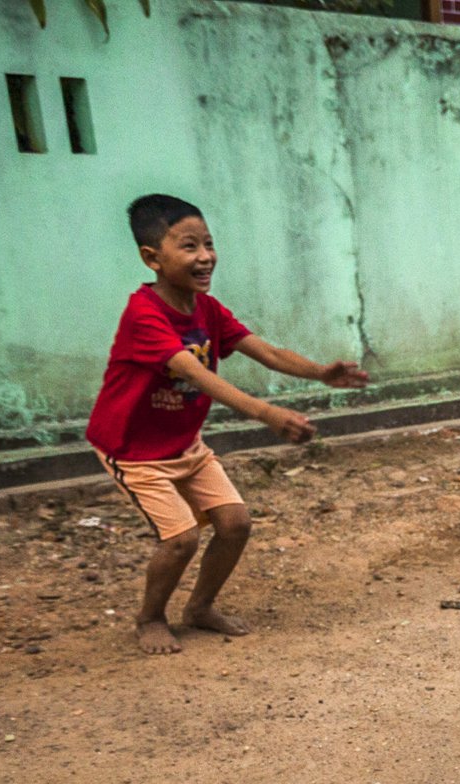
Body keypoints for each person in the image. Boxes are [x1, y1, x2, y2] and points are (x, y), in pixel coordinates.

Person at [87, 194, 368, 654]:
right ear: (151, 258)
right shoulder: (144, 314)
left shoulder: (208, 310)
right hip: (133, 451)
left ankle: (199, 609)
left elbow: (270, 352)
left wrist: (321, 373)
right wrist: (267, 414)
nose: (206, 257)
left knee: (235, 523)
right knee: (180, 539)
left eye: (209, 244)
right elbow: (197, 375)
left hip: (184, 446)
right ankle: (149, 618)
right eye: (189, 246)